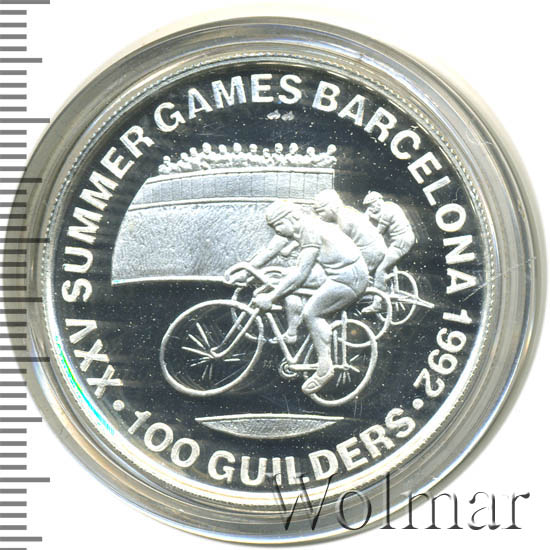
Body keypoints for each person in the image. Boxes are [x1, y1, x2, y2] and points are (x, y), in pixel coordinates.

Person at [248, 200, 368, 394]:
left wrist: (271, 297)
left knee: (312, 313)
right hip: (334, 272)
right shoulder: (303, 225)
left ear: (292, 218)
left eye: (278, 225)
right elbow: (272, 251)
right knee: (285, 280)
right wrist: (247, 272)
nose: (277, 231)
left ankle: (324, 367)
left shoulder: (310, 229)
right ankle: (292, 332)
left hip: (348, 278)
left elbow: (301, 272)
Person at [362, 191, 416, 313]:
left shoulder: (387, 211)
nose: (371, 209)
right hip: (402, 240)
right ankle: (387, 286)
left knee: (380, 270)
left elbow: (378, 232)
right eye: (369, 207)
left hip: (401, 242)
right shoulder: (390, 206)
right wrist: (369, 215)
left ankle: (377, 304)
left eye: (371, 206)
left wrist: (368, 216)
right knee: (383, 261)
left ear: (377, 202)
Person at [313, 189, 386, 276]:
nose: (319, 216)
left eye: (321, 211)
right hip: (375, 250)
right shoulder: (346, 212)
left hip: (370, 253)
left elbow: (339, 249)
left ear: (331, 208)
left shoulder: (343, 220)